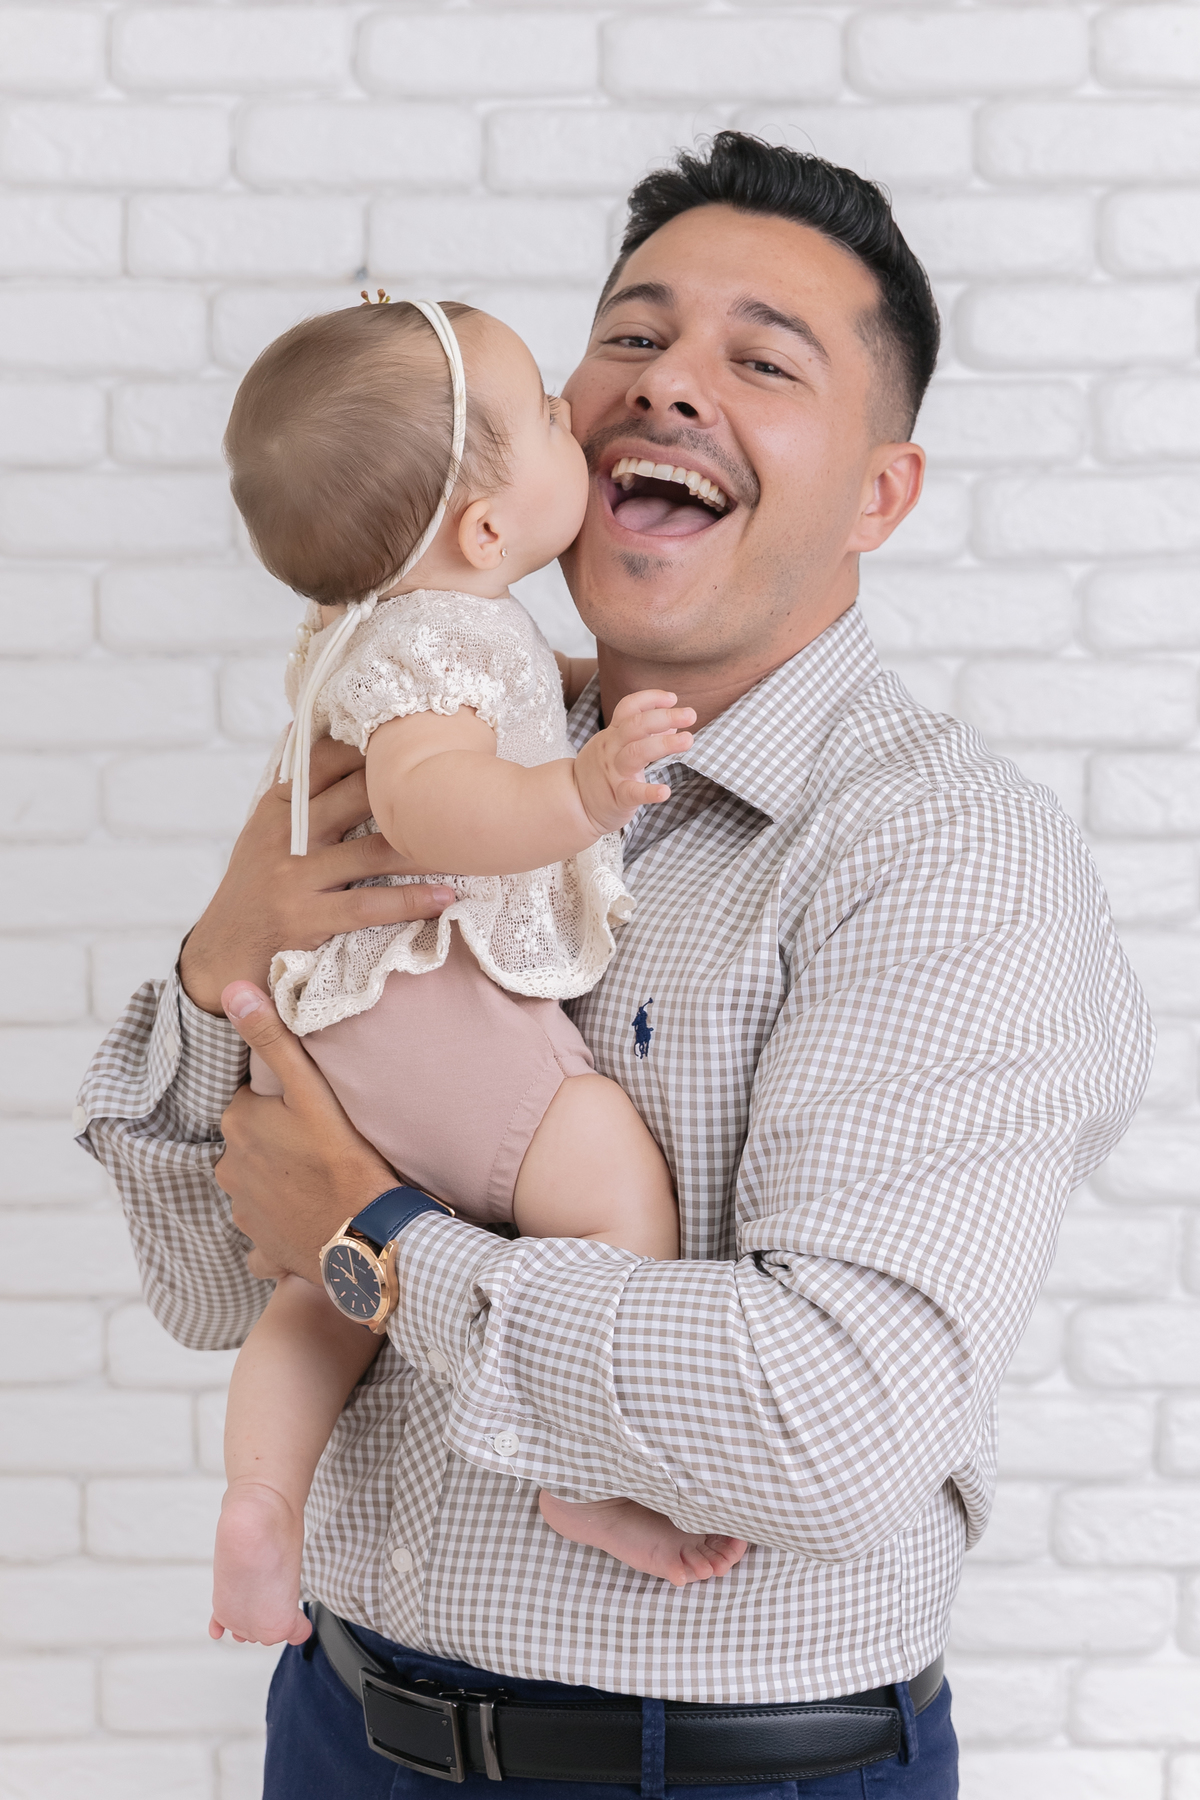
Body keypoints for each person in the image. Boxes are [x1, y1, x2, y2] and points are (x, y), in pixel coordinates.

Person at [77, 135, 1153, 1797]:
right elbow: (216, 1285)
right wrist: (222, 965)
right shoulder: (436, 745)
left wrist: (376, 1247)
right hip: (345, 1728)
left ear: (880, 490)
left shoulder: (939, 856)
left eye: (761, 359)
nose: (667, 389)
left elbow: (837, 1422)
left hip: (716, 1772)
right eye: (632, 338)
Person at [209, 292, 748, 1649]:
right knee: (611, 1177)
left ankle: (262, 1501)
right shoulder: (437, 647)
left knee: (316, 1290)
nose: (587, 421)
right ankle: (590, 1481)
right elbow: (440, 802)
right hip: (431, 1013)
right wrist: (580, 785)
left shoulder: (404, 629)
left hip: (345, 1027)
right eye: (559, 423)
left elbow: (473, 704)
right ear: (488, 533)